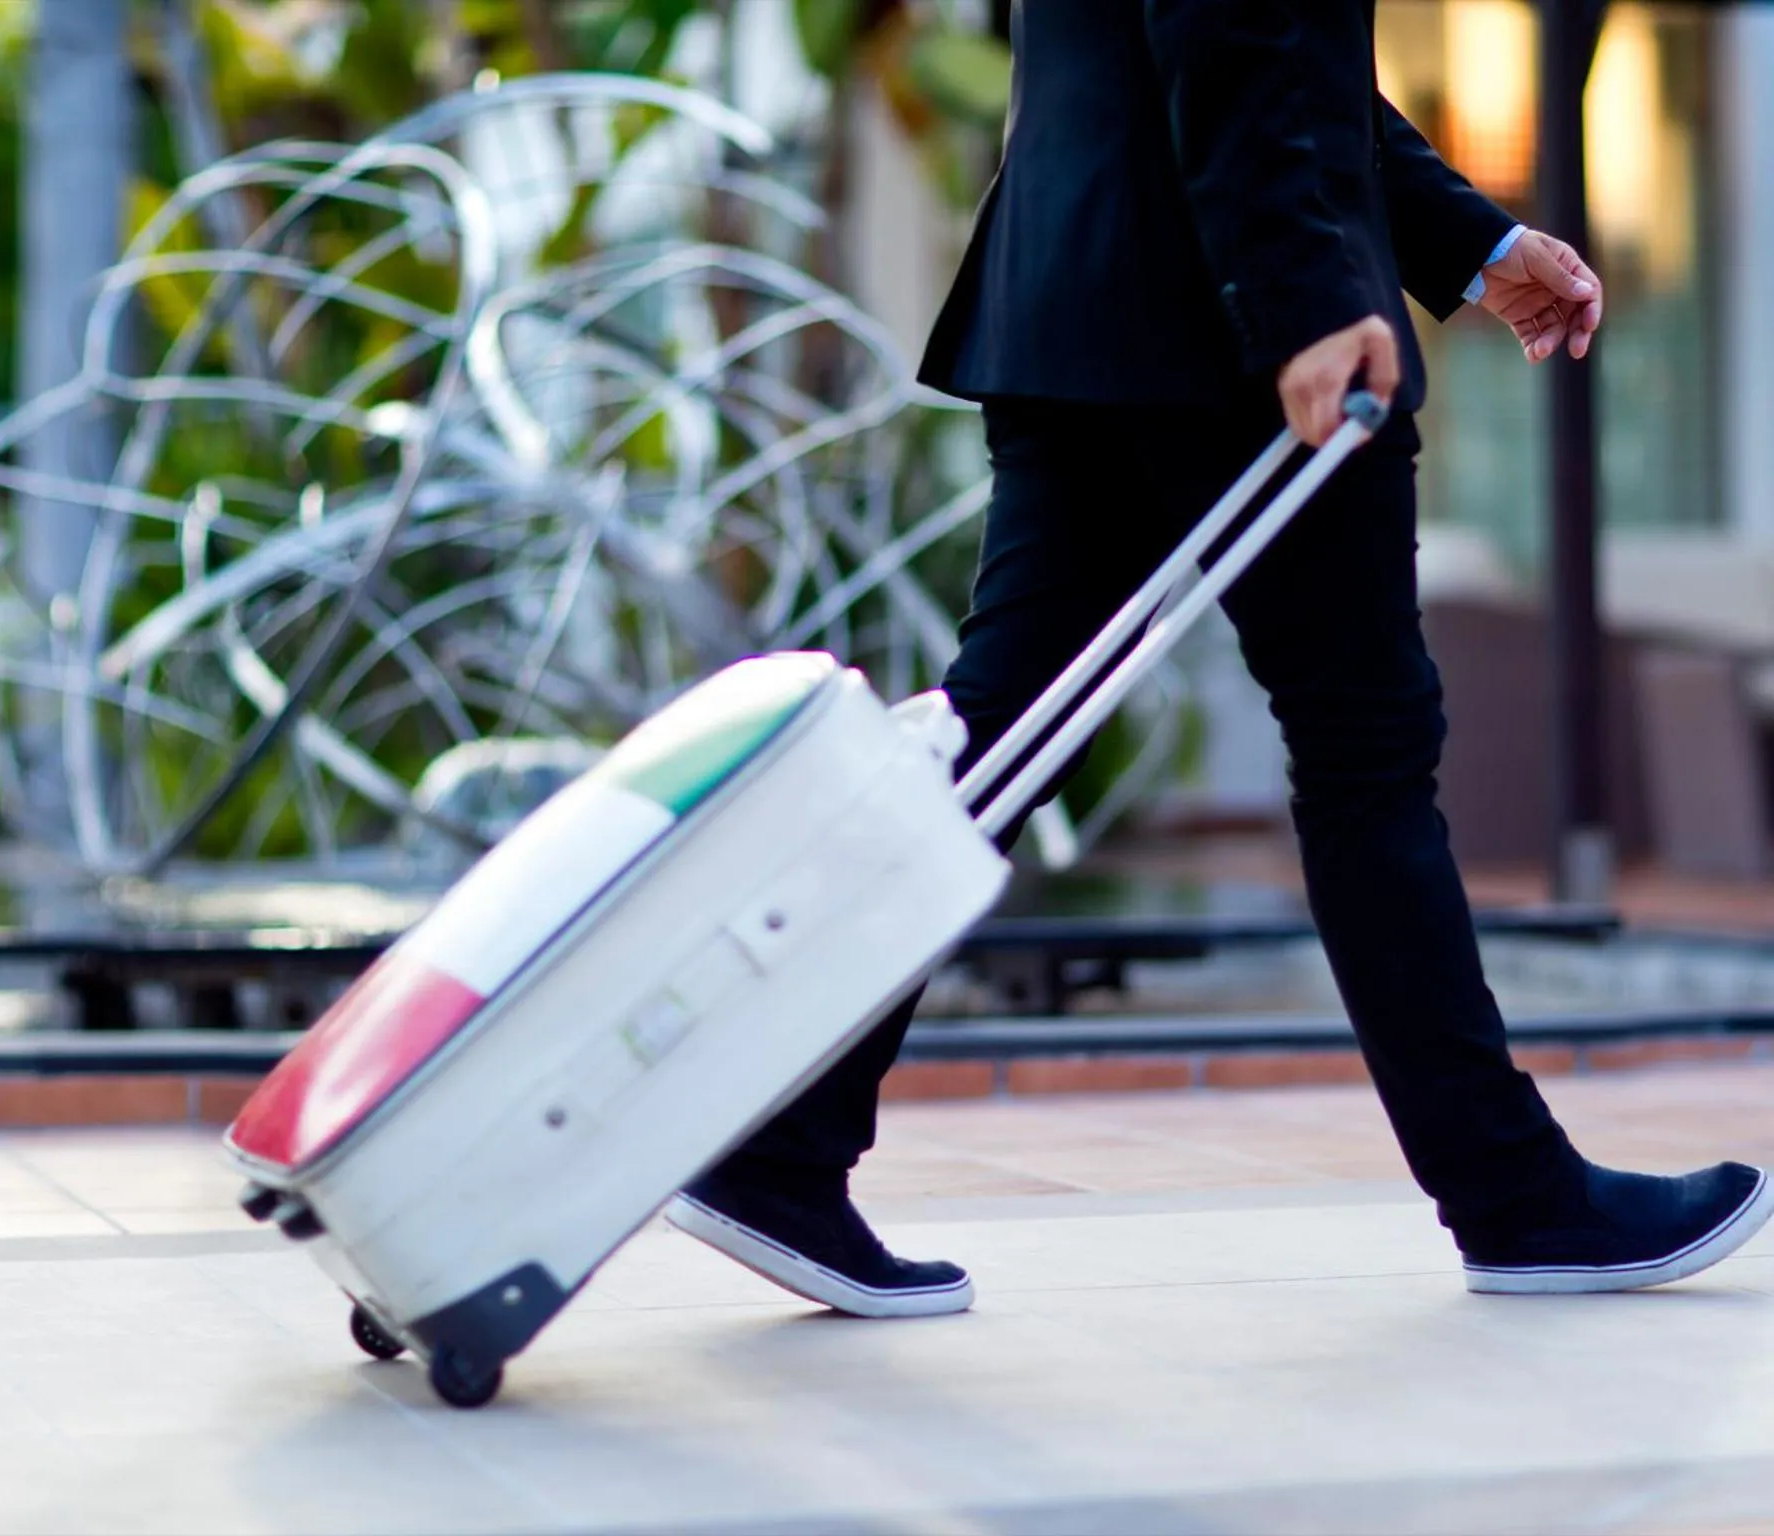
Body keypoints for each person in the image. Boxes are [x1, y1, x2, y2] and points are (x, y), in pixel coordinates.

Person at [665, 0, 1773, 1311]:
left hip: (1081, 293)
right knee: (1364, 753)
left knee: (999, 738)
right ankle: (1518, 1198)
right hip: (1223, 325)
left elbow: (1263, 48)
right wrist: (1306, 302)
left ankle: (781, 1147)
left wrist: (1467, 239)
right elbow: (1235, 34)